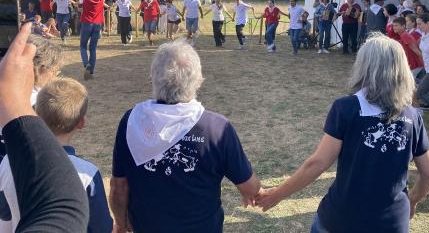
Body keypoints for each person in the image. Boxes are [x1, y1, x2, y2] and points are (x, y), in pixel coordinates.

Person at [255, 34, 429, 233]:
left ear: (364, 66)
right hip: (393, 221)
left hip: (343, 219)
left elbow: (318, 163)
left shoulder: (346, 108)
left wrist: (278, 194)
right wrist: (412, 201)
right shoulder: (412, 115)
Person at [110, 40, 261, 233]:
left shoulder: (131, 121)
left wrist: (121, 224)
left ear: (152, 77)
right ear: (199, 80)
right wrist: (256, 192)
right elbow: (250, 187)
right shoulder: (217, 128)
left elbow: (118, 187)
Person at [0, 22, 89, 232]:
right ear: (41, 70)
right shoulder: (36, 105)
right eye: (55, 72)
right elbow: (62, 205)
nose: (56, 78)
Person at [0, 77, 113, 233]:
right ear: (81, 123)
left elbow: (5, 217)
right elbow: (101, 227)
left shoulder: (8, 161)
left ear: (36, 114)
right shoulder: (87, 173)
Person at [77, 0, 112, 80]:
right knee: (93, 48)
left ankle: (86, 64)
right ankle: (91, 71)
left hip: (86, 23)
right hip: (97, 24)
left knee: (82, 46)